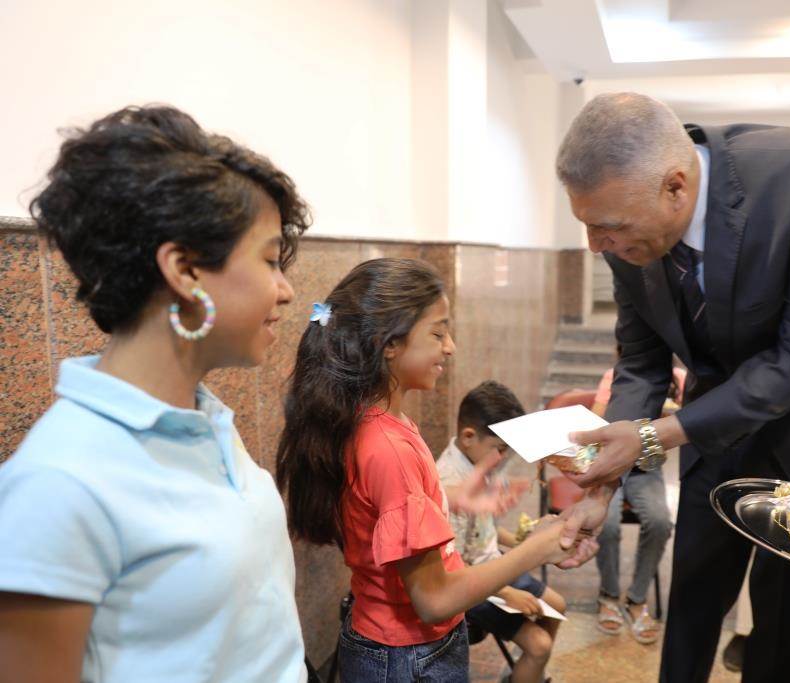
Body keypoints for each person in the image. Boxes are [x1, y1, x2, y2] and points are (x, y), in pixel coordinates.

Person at [552, 92, 790, 683]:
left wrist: (655, 436)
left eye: (608, 228)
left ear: (675, 187)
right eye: (587, 225)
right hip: (722, 410)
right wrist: (603, 480)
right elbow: (642, 360)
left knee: (787, 606)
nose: (596, 245)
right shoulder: (622, 224)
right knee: (695, 581)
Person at [0, 105, 313, 682]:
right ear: (185, 270)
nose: (287, 290)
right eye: (271, 260)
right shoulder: (59, 483)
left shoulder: (205, 422)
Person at [275, 258, 592, 682]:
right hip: (407, 657)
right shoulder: (389, 447)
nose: (451, 347)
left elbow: (381, 507)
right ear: (389, 344)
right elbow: (434, 600)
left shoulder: (376, 420)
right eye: (438, 333)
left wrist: (449, 498)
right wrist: (537, 548)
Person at [437, 380, 566, 683]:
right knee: (539, 645)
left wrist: (524, 540)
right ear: (469, 436)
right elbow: (453, 566)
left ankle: (524, 673)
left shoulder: (476, 461)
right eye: (500, 449)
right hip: (468, 585)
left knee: (557, 606)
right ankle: (531, 665)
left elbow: (484, 532)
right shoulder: (448, 481)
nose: (503, 458)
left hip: (491, 563)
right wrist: (508, 593)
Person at [592, 346, 676, 644]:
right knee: (606, 523)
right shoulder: (613, 377)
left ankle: (637, 599)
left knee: (660, 522)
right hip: (612, 463)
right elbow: (596, 421)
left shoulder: (678, 378)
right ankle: (609, 595)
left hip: (646, 467)